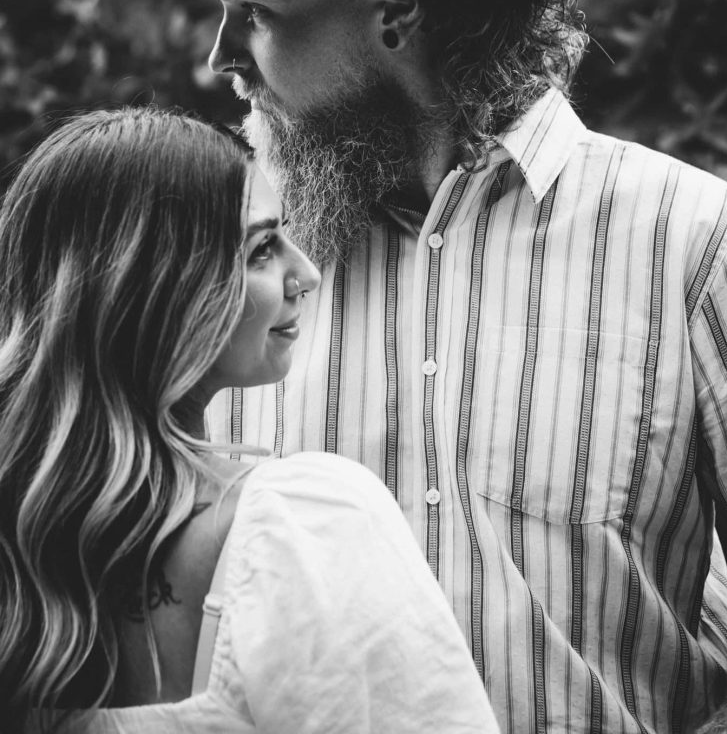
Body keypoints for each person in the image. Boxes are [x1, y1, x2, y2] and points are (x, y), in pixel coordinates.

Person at [81, 0, 727, 731]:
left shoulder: (697, 239)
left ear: (398, 8)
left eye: (252, 9)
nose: (219, 55)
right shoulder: (212, 258)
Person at [0, 106, 502, 734]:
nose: (306, 274)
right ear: (161, 285)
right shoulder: (297, 529)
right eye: (262, 248)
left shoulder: (22, 550)